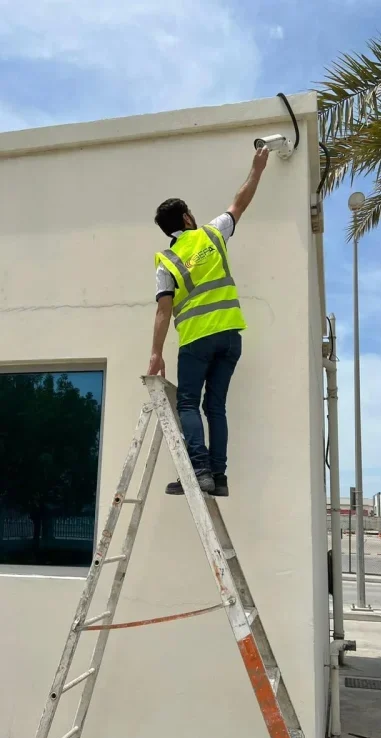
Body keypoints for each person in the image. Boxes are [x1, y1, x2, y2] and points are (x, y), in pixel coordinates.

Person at [147, 145, 270, 496]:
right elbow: (240, 202)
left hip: (197, 339)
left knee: (188, 403)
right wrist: (257, 168)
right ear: (186, 217)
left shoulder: (167, 260)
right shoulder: (214, 234)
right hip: (231, 336)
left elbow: (163, 310)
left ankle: (198, 471)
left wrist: (156, 354)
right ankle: (218, 477)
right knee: (215, 405)